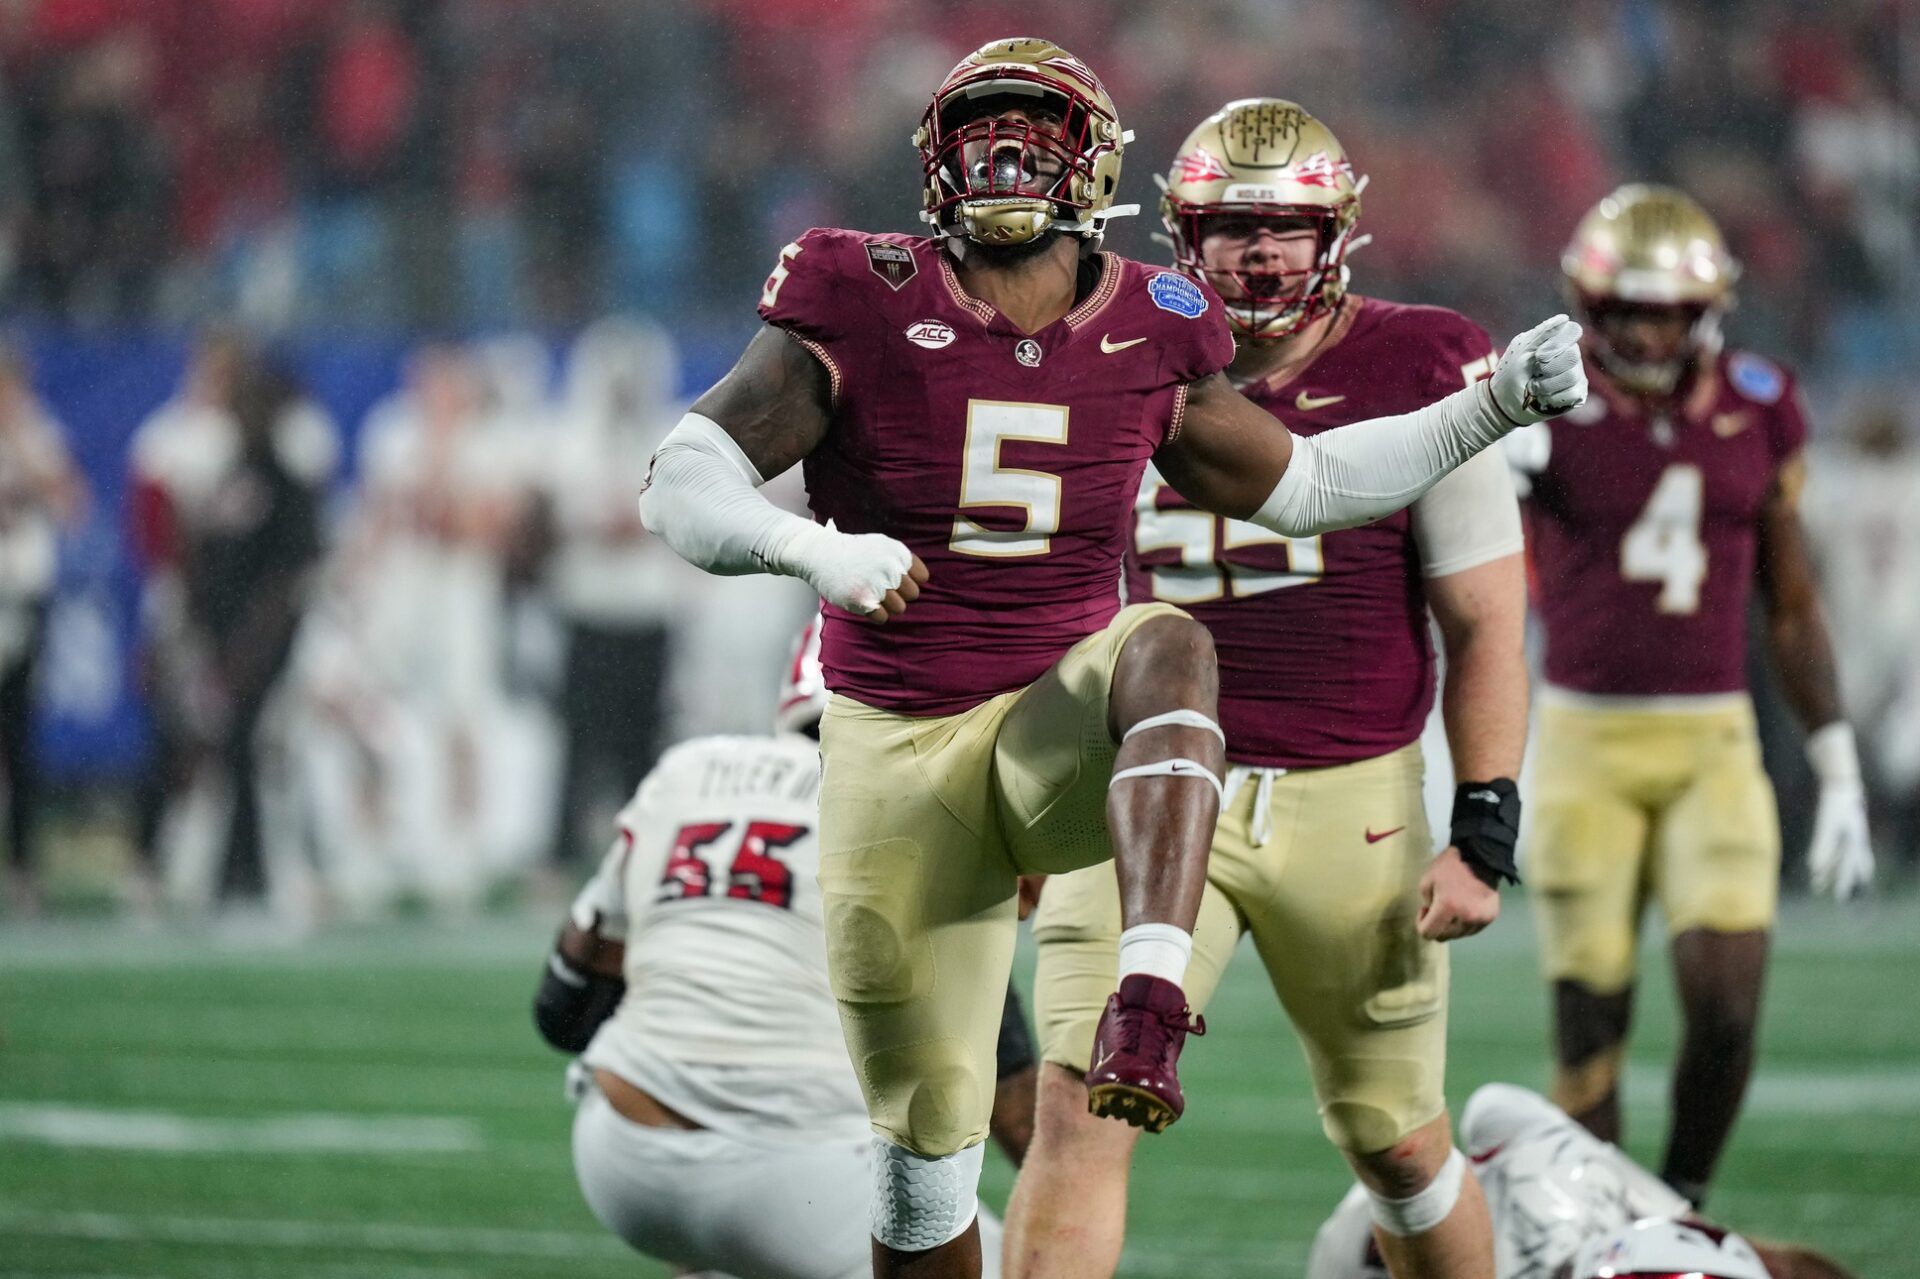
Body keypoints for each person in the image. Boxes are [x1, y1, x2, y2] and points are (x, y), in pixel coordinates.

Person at [637, 38, 1585, 1277]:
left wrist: (1487, 407)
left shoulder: (1162, 322)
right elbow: (684, 478)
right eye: (984, 128)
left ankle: (1149, 991)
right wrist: (811, 555)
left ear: (1097, 169)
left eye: (1040, 128)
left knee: (1169, 652)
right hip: (916, 735)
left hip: (1137, 735)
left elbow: (1314, 487)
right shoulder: (854, 286)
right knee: (928, 1163)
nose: (1010, 153)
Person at [1004, 99, 1527, 1279]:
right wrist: (1029, 794)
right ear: (1181, 234)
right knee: (1080, 1101)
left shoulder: (1423, 359)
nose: (1260, 252)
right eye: (1231, 224)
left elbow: (1484, 612)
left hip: (1354, 797)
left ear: (1341, 232)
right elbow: (1051, 590)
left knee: (1393, 1138)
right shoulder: (1112, 346)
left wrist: (1485, 821)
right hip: (1143, 781)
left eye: (1287, 227)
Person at [1505, 184, 1873, 1208]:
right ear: (1588, 304)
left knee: (1725, 1006)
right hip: (1584, 743)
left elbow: (1790, 603)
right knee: (1591, 1032)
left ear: (1707, 309)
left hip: (1714, 741)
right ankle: (1597, 1235)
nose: (1648, 331)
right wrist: (1489, 449)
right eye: (1627, 309)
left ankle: (1680, 1207)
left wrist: (1836, 760)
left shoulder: (1760, 402)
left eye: (1667, 310)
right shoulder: (1548, 399)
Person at [533, 619, 1035, 1279]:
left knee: (748, 1236)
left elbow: (565, 1006)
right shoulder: (915, 807)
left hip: (619, 1150)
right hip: (790, 1168)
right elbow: (1011, 1094)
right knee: (1018, 1261)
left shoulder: (688, 768)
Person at [1307, 1084, 1856, 1279]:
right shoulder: (1563, 1189)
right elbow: (1494, 1108)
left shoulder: (1573, 1182)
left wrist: (1680, 1223)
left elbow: (1495, 1107)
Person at [0, 342, 85, 915]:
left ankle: (24, 869)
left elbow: (70, 504)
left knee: (18, 738)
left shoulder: (37, 435)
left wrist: (22, 450)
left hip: (21, 597)